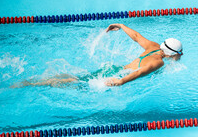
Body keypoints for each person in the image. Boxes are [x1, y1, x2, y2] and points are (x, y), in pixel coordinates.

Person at [11, 23, 183, 88]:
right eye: (179, 54)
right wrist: (120, 82)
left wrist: (121, 25)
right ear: (172, 53)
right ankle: (32, 84)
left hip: (114, 69)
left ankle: (38, 81)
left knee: (78, 78)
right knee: (75, 83)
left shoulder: (153, 47)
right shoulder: (159, 62)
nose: (180, 56)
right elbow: (139, 73)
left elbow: (137, 36)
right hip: (117, 75)